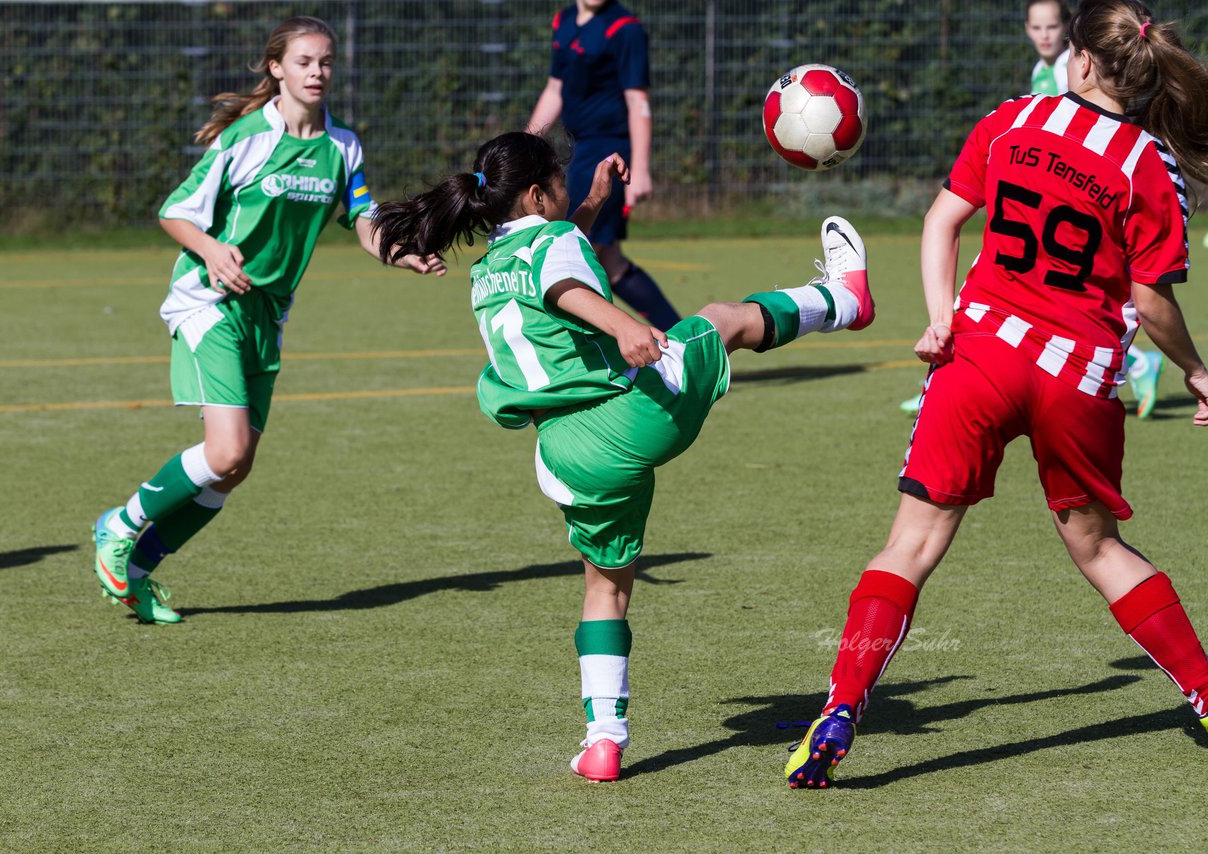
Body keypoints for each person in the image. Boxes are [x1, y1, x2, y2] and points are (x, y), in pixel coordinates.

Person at [789, 0, 1208, 790]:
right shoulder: (1153, 168)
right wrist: (1196, 368)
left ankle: (841, 708)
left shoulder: (1013, 119)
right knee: (1098, 548)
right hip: (1076, 377)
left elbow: (943, 221)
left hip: (979, 357)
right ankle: (1205, 691)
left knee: (910, 546)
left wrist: (942, 319)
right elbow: (1151, 303)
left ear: (1080, 60)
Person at [373, 131, 875, 782]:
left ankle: (603, 741)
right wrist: (622, 324)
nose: (566, 186)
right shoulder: (553, 249)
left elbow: (552, 262)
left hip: (567, 454)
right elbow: (565, 284)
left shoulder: (492, 268)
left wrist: (591, 203)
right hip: (627, 420)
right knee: (721, 319)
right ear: (535, 193)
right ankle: (846, 301)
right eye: (560, 179)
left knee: (605, 588)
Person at [90, 16, 445, 624]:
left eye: (326, 62)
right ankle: (118, 526)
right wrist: (212, 250)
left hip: (268, 313)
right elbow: (175, 213)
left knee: (235, 469)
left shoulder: (344, 147)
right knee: (224, 452)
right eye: (305, 61)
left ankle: (137, 572)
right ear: (277, 68)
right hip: (210, 302)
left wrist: (397, 251)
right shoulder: (244, 139)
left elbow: (361, 219)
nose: (318, 72)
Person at [900, 0, 1163, 417]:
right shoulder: (1044, 73)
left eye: (1052, 26)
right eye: (1036, 27)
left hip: (1060, 194)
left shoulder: (1072, 69)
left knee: (1037, 292)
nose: (1044, 34)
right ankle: (950, 370)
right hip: (1047, 194)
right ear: (1025, 29)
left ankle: (1135, 362)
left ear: (1071, 39)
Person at [526, 0, 681, 332]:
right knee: (609, 263)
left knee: (574, 258)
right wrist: (525, 146)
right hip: (579, 149)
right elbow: (555, 90)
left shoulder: (625, 28)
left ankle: (595, 354)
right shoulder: (563, 21)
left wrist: (639, 169)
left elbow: (637, 101)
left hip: (610, 153)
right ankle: (686, 346)